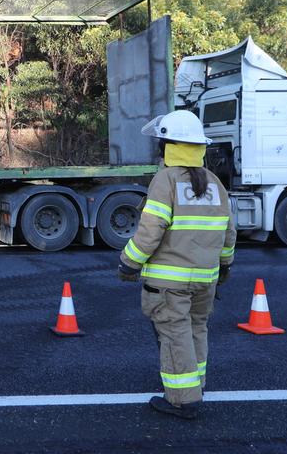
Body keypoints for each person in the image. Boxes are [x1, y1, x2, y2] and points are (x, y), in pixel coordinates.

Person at [119, 110, 236, 421]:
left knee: (174, 334)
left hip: (169, 282)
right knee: (197, 329)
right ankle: (195, 386)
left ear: (168, 147)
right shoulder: (214, 184)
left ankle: (183, 400)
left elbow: (149, 232)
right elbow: (229, 234)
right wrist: (224, 268)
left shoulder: (165, 180)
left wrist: (128, 263)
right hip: (206, 279)